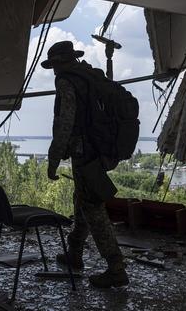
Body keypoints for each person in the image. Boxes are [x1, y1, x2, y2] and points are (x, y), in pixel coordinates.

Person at [42, 41, 129, 288]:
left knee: (92, 207)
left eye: (54, 66)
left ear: (58, 63)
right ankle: (75, 252)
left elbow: (65, 123)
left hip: (86, 154)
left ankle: (116, 267)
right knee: (82, 200)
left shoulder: (67, 82)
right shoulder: (90, 76)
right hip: (100, 149)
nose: (54, 72)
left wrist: (53, 159)